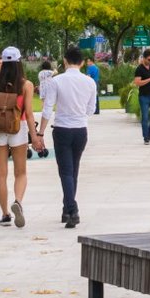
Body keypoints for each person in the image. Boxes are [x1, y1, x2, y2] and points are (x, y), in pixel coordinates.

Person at [0, 48, 39, 228]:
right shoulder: (26, 85)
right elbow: (28, 114)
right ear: (19, 62)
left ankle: (5, 214)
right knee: (20, 172)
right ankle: (18, 202)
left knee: (1, 173)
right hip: (18, 129)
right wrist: (35, 138)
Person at [41, 45, 98, 228]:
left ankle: (72, 209)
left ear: (65, 61)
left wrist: (40, 132)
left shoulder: (56, 81)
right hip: (81, 129)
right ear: (82, 63)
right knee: (74, 170)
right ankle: (67, 208)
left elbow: (48, 108)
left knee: (65, 171)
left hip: (62, 129)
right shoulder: (90, 82)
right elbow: (91, 109)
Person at [34, 59, 56, 159]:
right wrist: (55, 70)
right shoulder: (49, 72)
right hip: (49, 87)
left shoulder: (40, 73)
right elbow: (55, 73)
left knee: (43, 99)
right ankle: (46, 109)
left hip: (42, 86)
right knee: (48, 100)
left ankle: (43, 108)